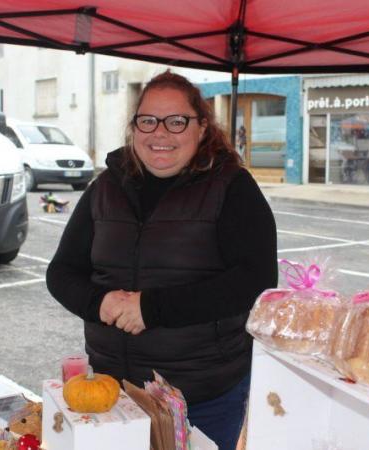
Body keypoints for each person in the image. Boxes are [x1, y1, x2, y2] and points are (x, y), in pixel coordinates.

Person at [46, 71, 277, 450]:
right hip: (112, 390)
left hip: (201, 396)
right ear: (134, 126)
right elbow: (61, 272)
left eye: (177, 121)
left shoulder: (231, 187)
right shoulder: (106, 187)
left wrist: (151, 309)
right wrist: (99, 302)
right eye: (148, 120)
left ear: (202, 127)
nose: (160, 133)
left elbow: (255, 279)